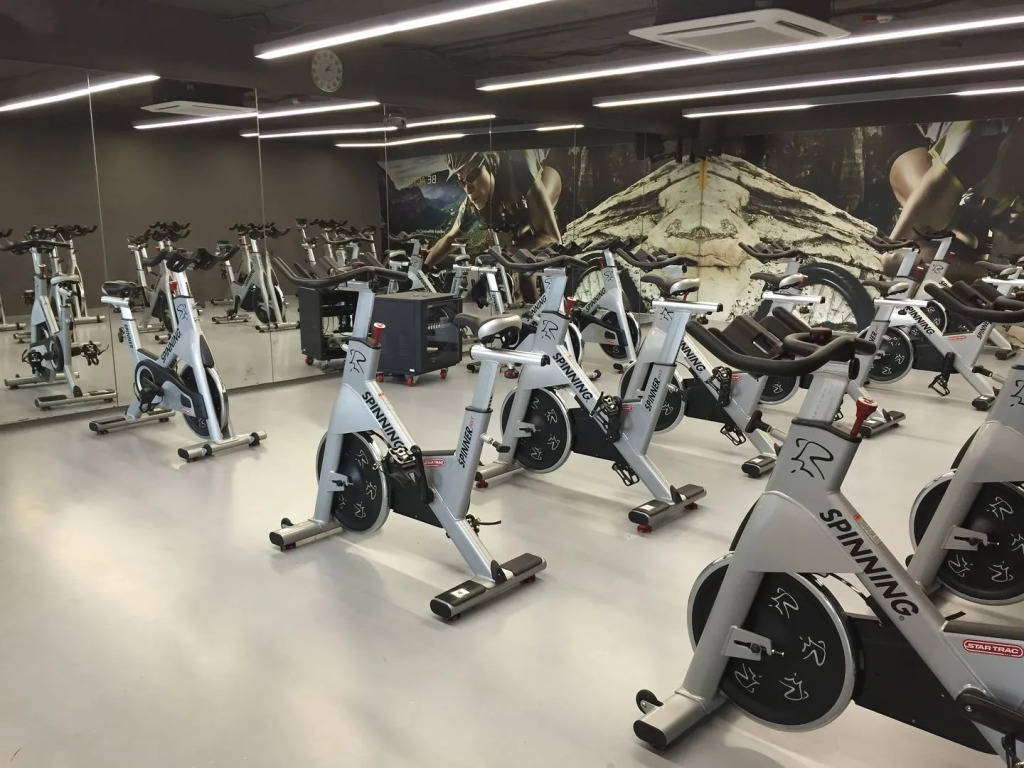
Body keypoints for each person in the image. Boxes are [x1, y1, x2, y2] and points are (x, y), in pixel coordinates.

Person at [426, 149, 563, 302]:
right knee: (519, 252)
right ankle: (530, 306)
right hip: (516, 210)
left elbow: (551, 237)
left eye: (472, 175)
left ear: (490, 164)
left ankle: (546, 302)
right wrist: (425, 266)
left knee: (521, 241)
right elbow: (451, 238)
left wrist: (510, 251)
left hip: (546, 178)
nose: (468, 189)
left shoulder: (520, 168)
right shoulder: (470, 206)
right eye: (461, 182)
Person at [884, 120, 1011, 280]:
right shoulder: (977, 145)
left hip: (982, 168)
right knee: (955, 239)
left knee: (971, 245)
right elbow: (894, 256)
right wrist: (989, 275)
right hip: (913, 133)